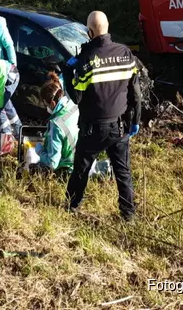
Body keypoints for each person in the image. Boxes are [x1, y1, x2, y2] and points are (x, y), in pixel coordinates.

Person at [62, 11, 141, 220]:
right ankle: (129, 214)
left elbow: (76, 96)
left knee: (81, 169)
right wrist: (135, 121)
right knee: (123, 172)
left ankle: (71, 206)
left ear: (89, 32)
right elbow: (136, 93)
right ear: (107, 27)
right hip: (120, 126)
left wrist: (68, 74)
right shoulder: (125, 53)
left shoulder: (87, 59)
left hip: (93, 128)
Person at [32, 72, 78, 175]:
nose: (46, 107)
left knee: (32, 168)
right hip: (82, 161)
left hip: (67, 168)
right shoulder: (74, 107)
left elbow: (53, 163)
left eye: (45, 104)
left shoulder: (56, 125)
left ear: (52, 103)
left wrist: (40, 151)